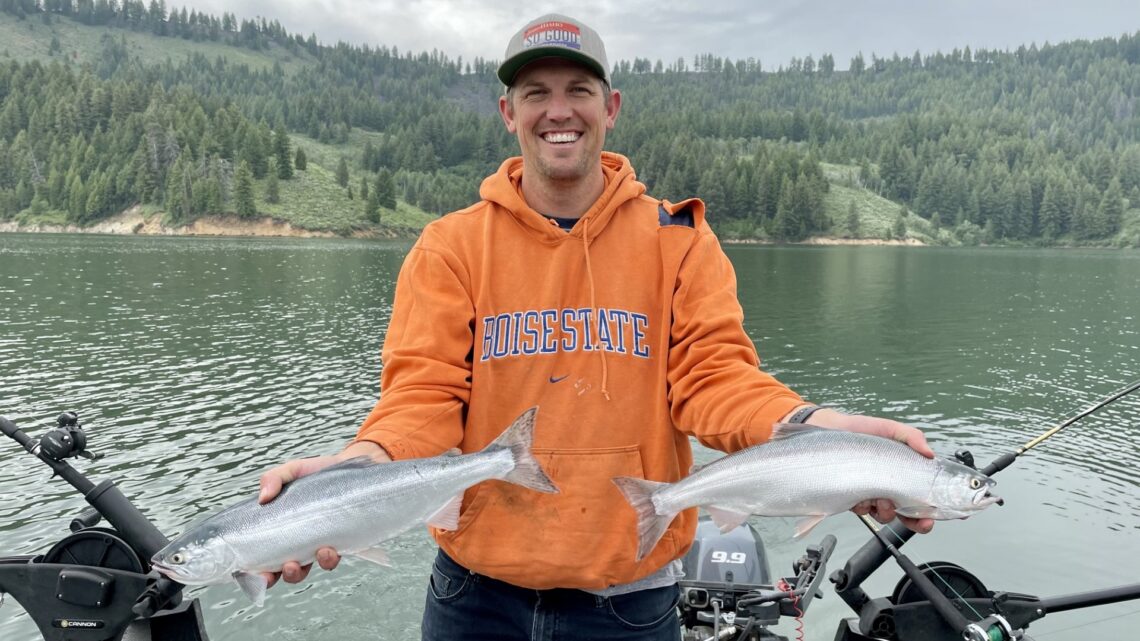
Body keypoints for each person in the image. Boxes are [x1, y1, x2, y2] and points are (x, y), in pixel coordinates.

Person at [257, 13, 934, 640]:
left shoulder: (679, 242)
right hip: (473, 599)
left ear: (610, 109)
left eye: (578, 89)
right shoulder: (449, 248)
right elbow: (422, 401)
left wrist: (813, 430)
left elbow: (716, 382)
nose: (558, 110)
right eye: (535, 92)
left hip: (630, 602)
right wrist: (358, 467)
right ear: (508, 113)